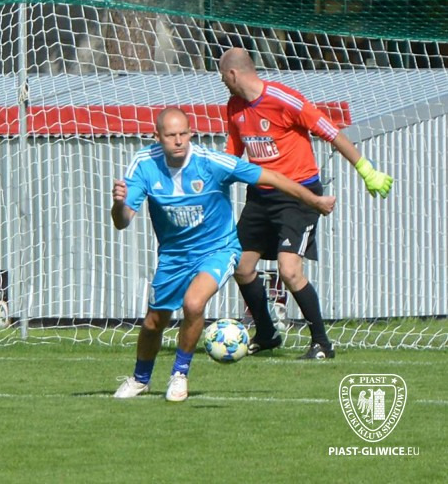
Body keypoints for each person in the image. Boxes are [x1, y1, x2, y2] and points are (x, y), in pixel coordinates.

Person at [111, 107, 335, 401]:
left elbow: (271, 177)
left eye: (183, 134)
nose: (178, 141)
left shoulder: (212, 162)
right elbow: (122, 221)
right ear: (157, 137)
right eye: (171, 135)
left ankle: (179, 375)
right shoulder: (144, 164)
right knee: (154, 321)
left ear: (191, 134)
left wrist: (314, 200)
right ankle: (140, 379)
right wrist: (118, 204)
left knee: (193, 303)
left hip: (218, 249)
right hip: (174, 256)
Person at [219, 47, 393, 360]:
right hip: (259, 196)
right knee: (241, 266)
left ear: (233, 74)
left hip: (298, 196)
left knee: (289, 270)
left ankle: (322, 344)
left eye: (222, 76)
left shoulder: (285, 100)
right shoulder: (234, 106)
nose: (222, 82)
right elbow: (233, 155)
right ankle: (267, 334)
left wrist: (367, 171)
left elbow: (332, 133)